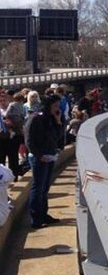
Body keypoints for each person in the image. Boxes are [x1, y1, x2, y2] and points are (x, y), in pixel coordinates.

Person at [24, 94, 65, 229]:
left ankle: (43, 214)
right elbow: (29, 140)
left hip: (50, 155)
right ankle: (36, 218)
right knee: (38, 187)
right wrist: (39, 155)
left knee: (45, 188)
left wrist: (58, 122)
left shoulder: (52, 119)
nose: (57, 109)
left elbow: (58, 136)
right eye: (55, 106)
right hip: (39, 157)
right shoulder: (35, 118)